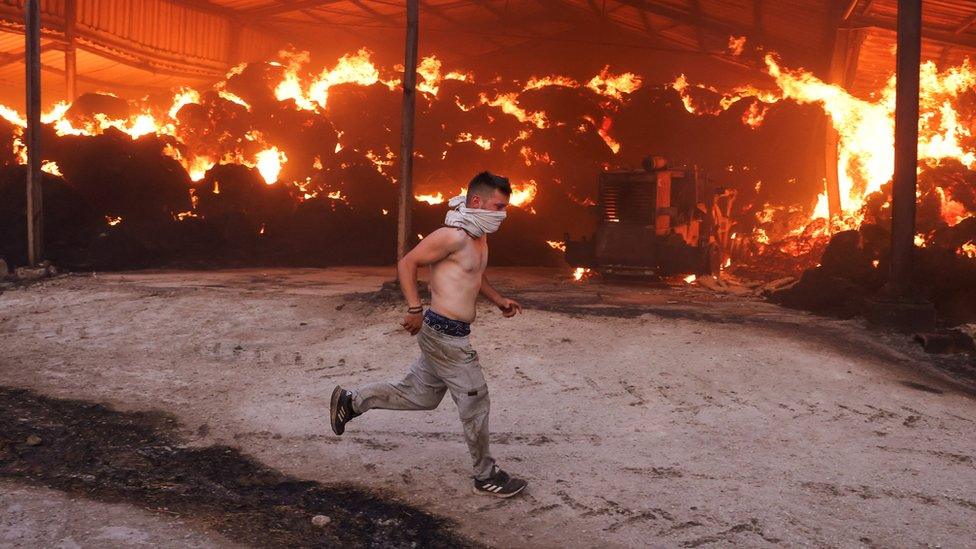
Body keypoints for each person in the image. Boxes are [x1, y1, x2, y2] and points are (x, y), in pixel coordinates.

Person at [330, 171, 528, 498]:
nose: (502, 215)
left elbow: (475, 275)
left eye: (505, 208)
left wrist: (498, 300)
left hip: (452, 334)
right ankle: (485, 475)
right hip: (444, 336)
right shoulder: (452, 236)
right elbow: (408, 263)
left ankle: (352, 402)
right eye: (498, 207)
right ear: (476, 202)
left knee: (420, 395)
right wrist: (413, 308)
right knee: (475, 400)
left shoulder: (479, 237)